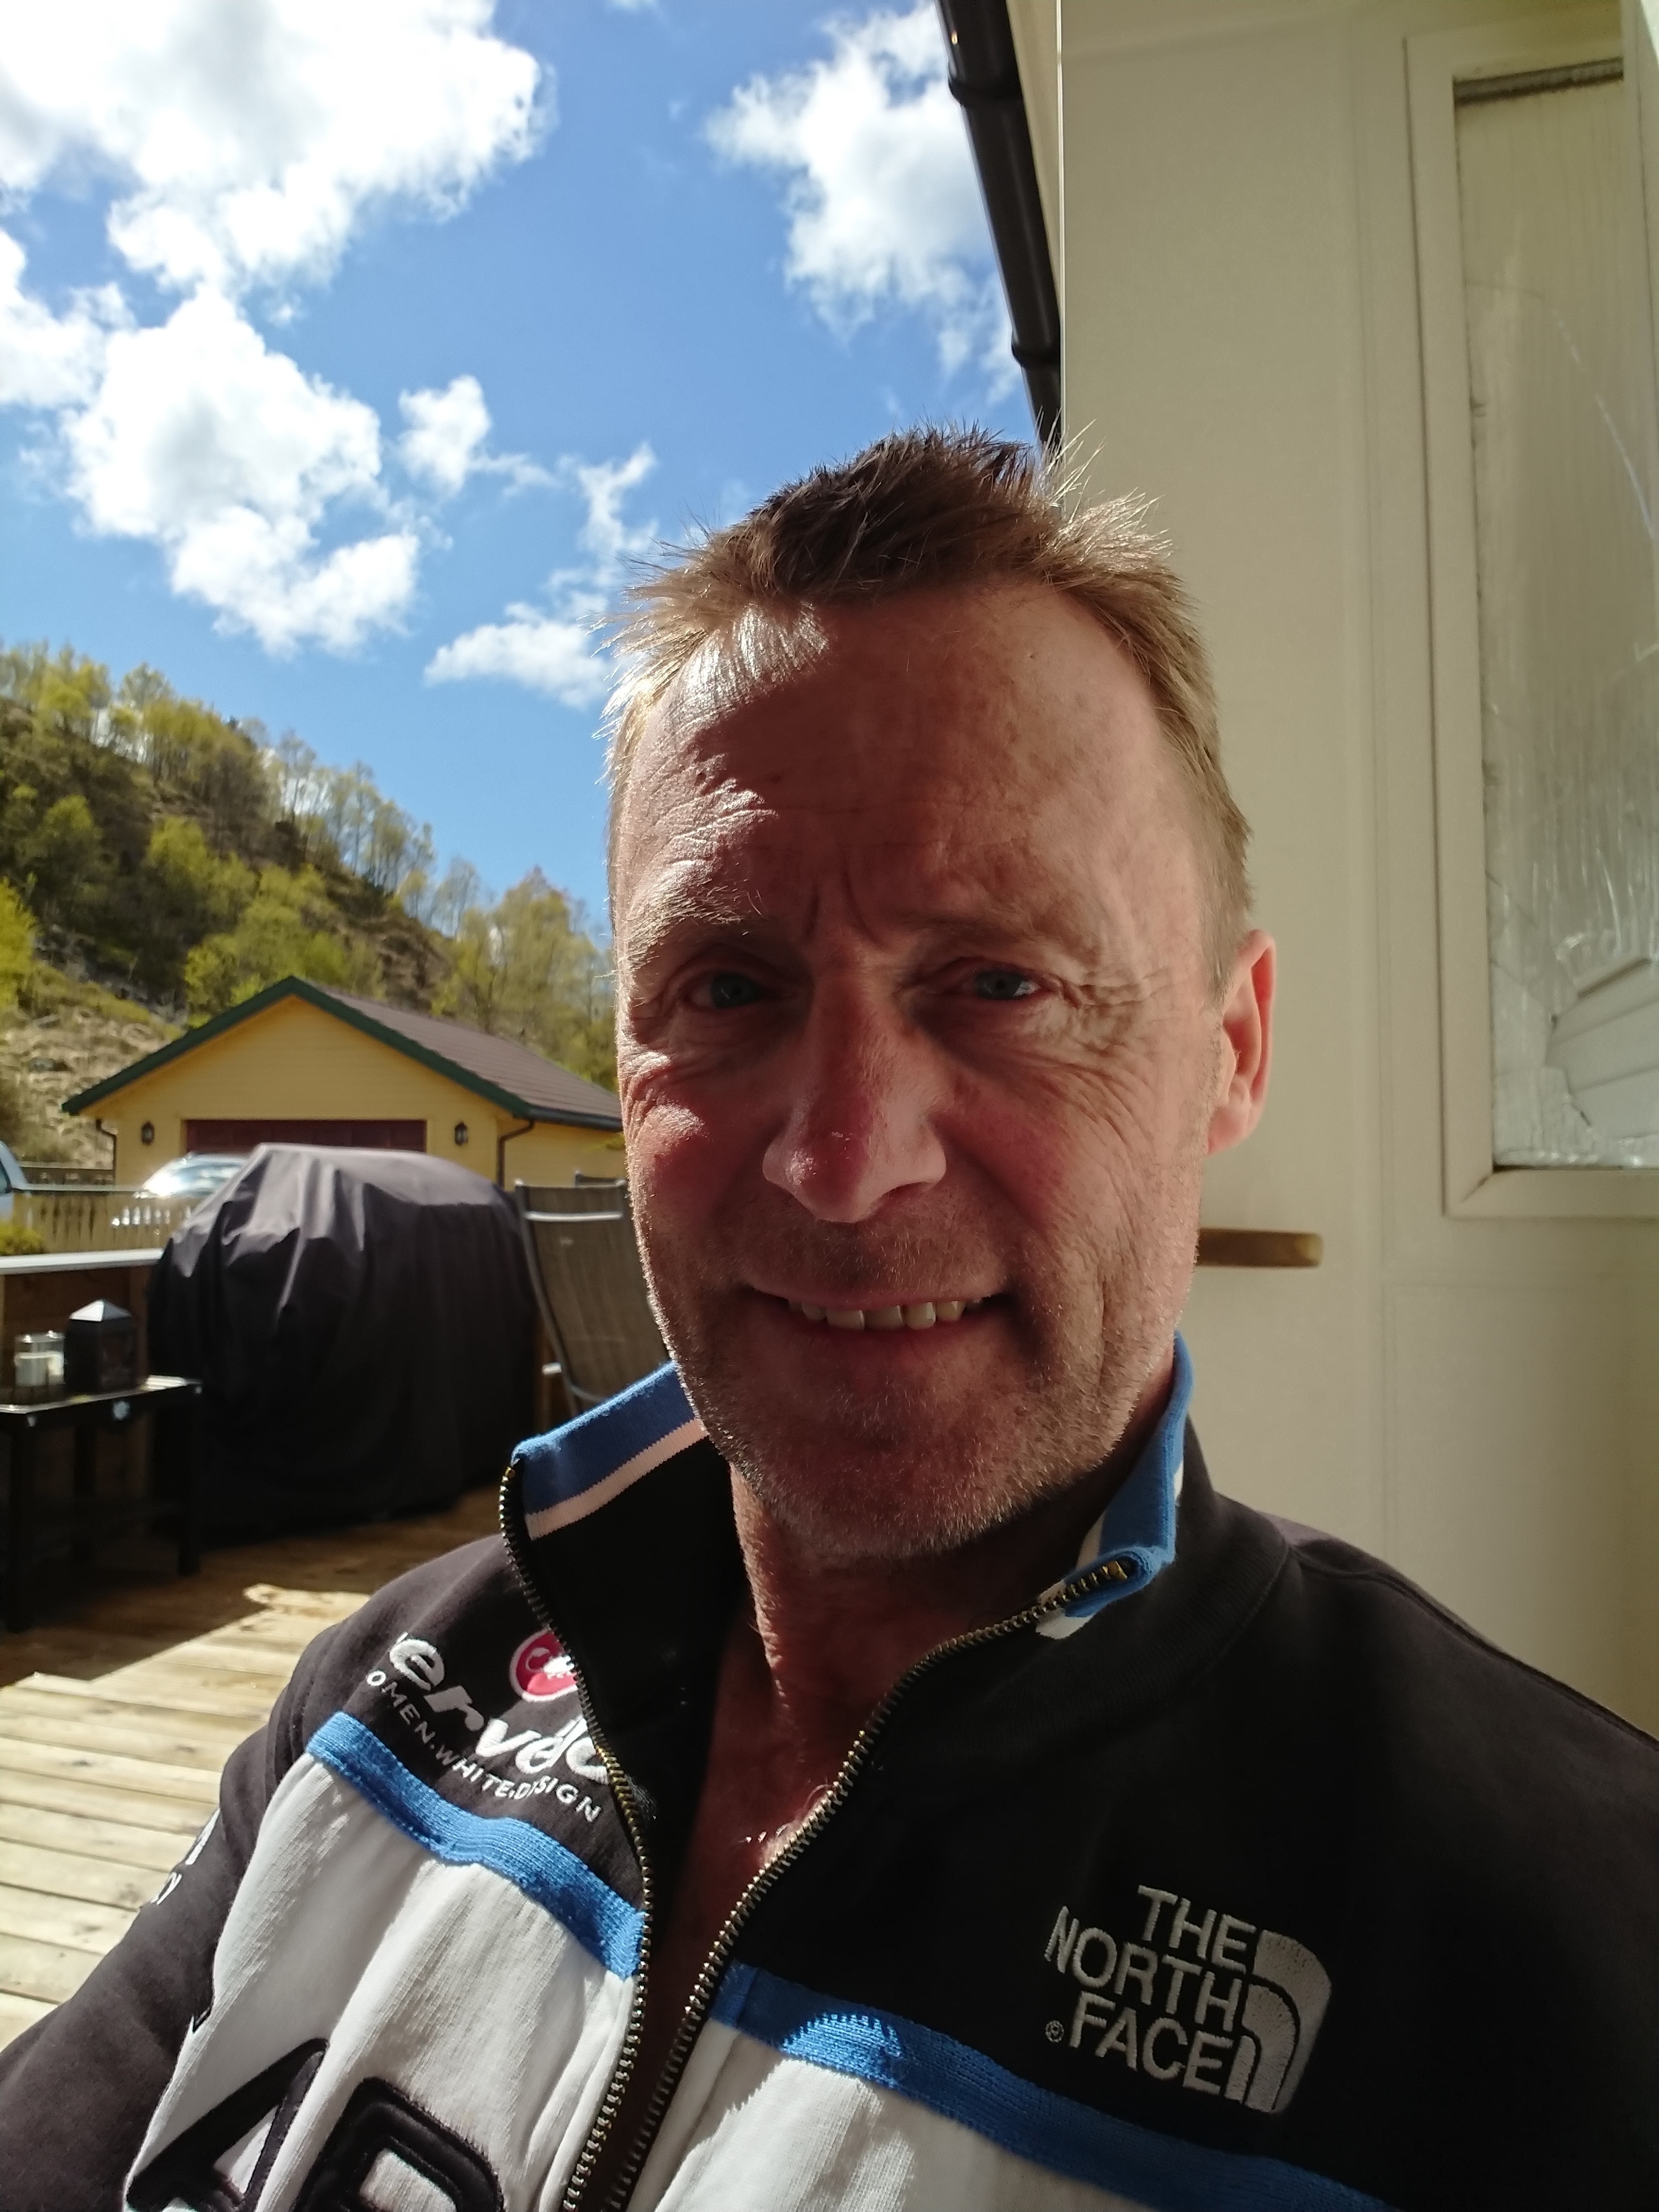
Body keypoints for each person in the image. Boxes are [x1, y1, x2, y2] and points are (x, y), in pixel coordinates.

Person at [3, 429, 1655, 2212]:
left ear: (1229, 1051)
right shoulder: (388, 1699)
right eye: (727, 985)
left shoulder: (1561, 1944)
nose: (846, 1162)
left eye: (1002, 981)